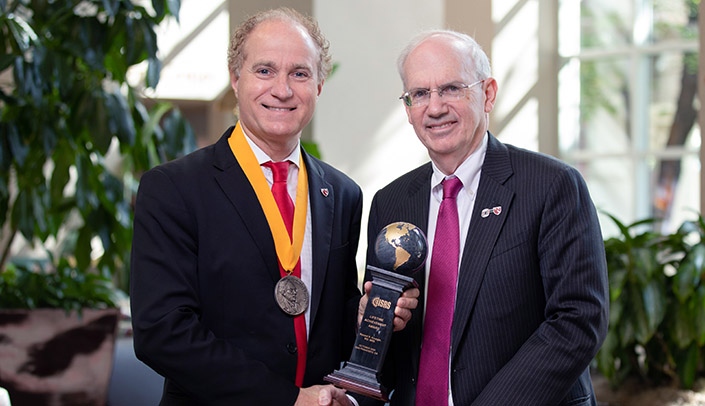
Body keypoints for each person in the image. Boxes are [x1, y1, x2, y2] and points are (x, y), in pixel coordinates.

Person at [130, 8, 416, 405]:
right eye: (265, 70)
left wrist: (369, 315)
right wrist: (287, 399)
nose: (282, 89)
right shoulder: (174, 189)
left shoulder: (343, 193)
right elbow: (161, 332)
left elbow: (329, 321)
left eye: (299, 73)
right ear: (235, 79)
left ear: (318, 85)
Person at [360, 30, 609, 405]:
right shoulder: (390, 202)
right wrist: (375, 320)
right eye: (420, 94)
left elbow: (578, 320)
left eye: (451, 89)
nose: (435, 107)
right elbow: (387, 340)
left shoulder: (552, 186)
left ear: (488, 93)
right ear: (408, 107)